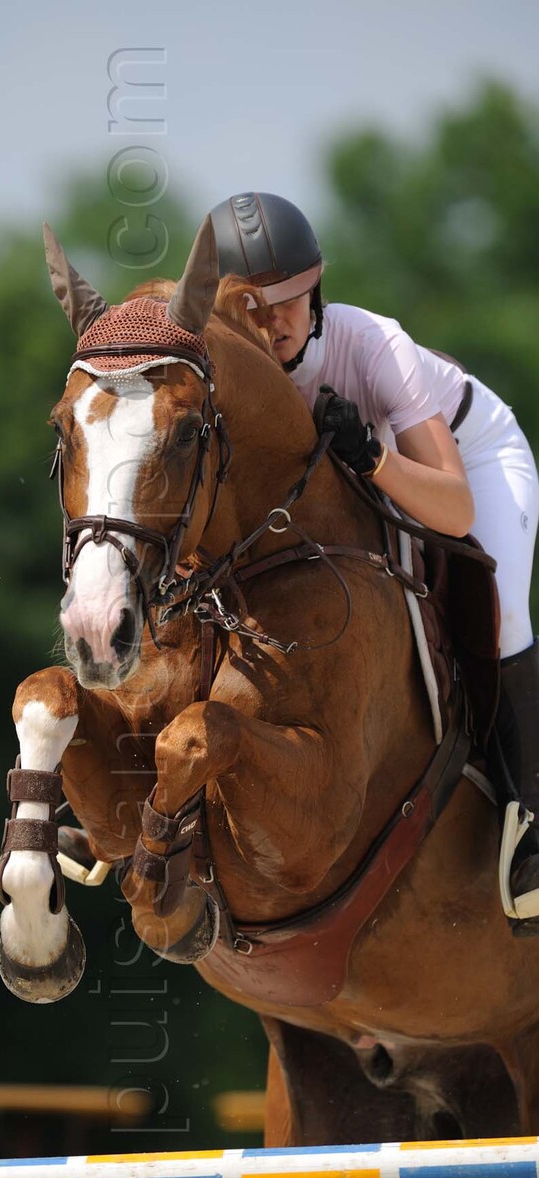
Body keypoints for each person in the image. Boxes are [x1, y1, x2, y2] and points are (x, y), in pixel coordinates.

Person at [210, 191, 539, 933]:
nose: (274, 325)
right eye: (254, 310)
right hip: (368, 482)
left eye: (290, 303)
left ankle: (533, 825)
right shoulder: (229, 373)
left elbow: (455, 508)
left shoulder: (370, 343)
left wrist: (370, 455)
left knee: (503, 613)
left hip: (471, 458)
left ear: (317, 291)